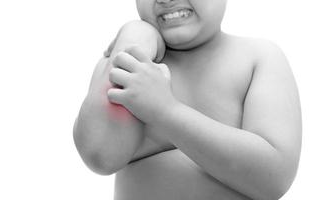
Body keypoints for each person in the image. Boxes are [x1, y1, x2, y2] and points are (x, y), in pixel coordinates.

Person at [73, 0, 302, 199]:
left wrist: (165, 112)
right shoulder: (130, 66)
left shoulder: (257, 58)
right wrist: (133, 38)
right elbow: (100, 155)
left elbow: (274, 178)